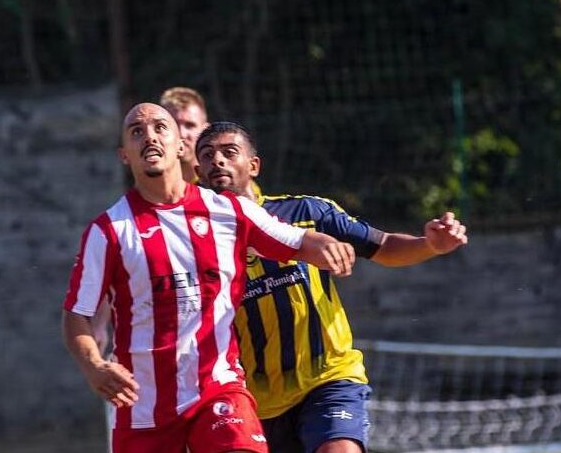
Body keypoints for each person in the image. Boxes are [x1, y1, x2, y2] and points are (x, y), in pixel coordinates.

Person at [61, 103, 359, 453]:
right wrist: (94, 365)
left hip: (218, 387)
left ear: (181, 147)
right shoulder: (108, 231)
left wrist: (323, 243)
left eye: (160, 127)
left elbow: (293, 241)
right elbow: (76, 314)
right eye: (136, 132)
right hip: (143, 404)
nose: (149, 136)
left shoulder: (228, 210)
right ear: (124, 155)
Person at [195, 121, 469, 453]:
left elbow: (383, 246)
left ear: (254, 165)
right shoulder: (194, 240)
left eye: (229, 152)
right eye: (207, 155)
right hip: (253, 397)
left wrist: (430, 245)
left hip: (328, 377)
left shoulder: (306, 213)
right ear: (197, 171)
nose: (218, 161)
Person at [160, 86, 210, 183]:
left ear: (205, 131)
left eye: (190, 125)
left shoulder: (219, 189)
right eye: (173, 124)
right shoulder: (150, 190)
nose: (182, 134)